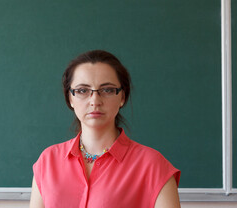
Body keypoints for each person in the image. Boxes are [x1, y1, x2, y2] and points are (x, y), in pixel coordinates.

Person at [30, 50, 181, 208]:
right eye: (82, 90)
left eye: (107, 90)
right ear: (70, 98)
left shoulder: (153, 166)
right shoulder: (47, 161)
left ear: (122, 97)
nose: (95, 101)